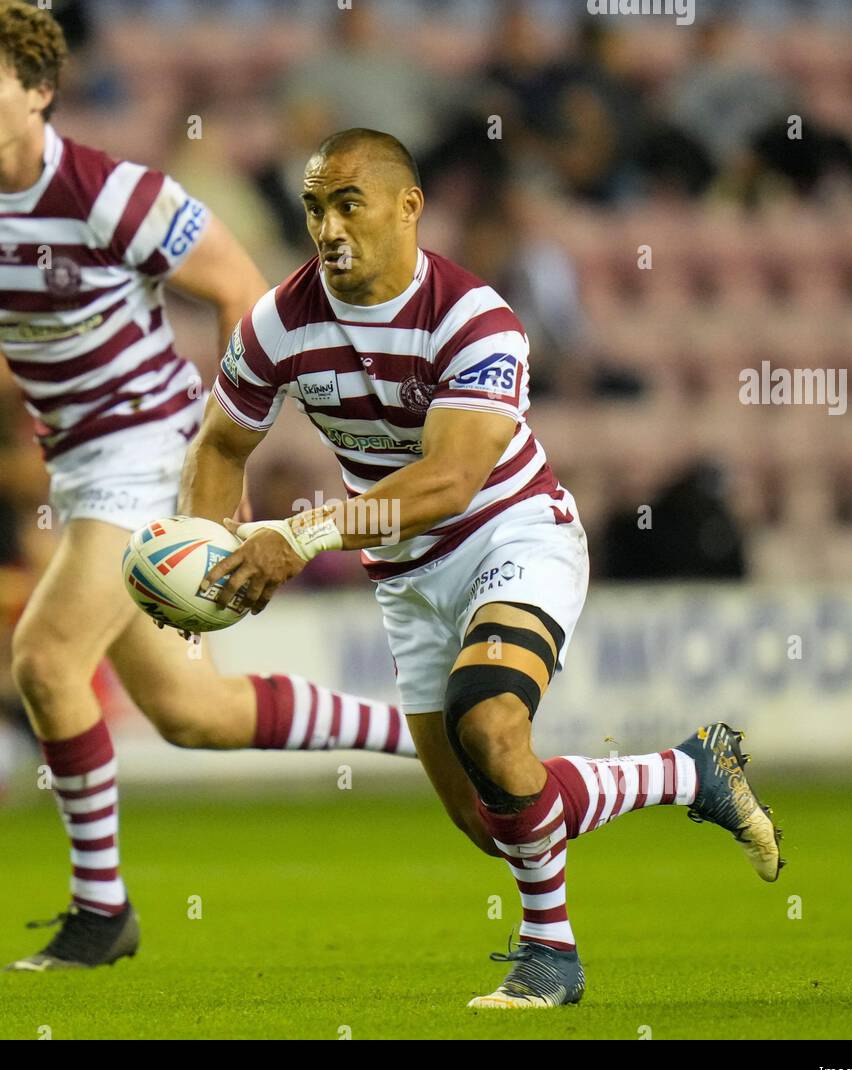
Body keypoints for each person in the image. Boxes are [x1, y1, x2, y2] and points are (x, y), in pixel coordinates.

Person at [179, 128, 785, 1009]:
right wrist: (205, 559)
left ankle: (551, 960)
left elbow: (451, 479)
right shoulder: (277, 321)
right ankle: (694, 772)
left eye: (348, 203)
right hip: (406, 579)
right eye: (314, 207)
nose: (328, 227)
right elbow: (223, 441)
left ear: (408, 207)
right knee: (489, 818)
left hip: (512, 536)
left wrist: (300, 537)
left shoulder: (476, 319)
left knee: (491, 721)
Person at [0, 2, 416, 974]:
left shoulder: (112, 194)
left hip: (151, 448)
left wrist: (228, 458)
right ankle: (423, 729)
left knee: (46, 659)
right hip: (78, 464)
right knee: (192, 710)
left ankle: (102, 912)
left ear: (40, 92)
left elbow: (240, 290)